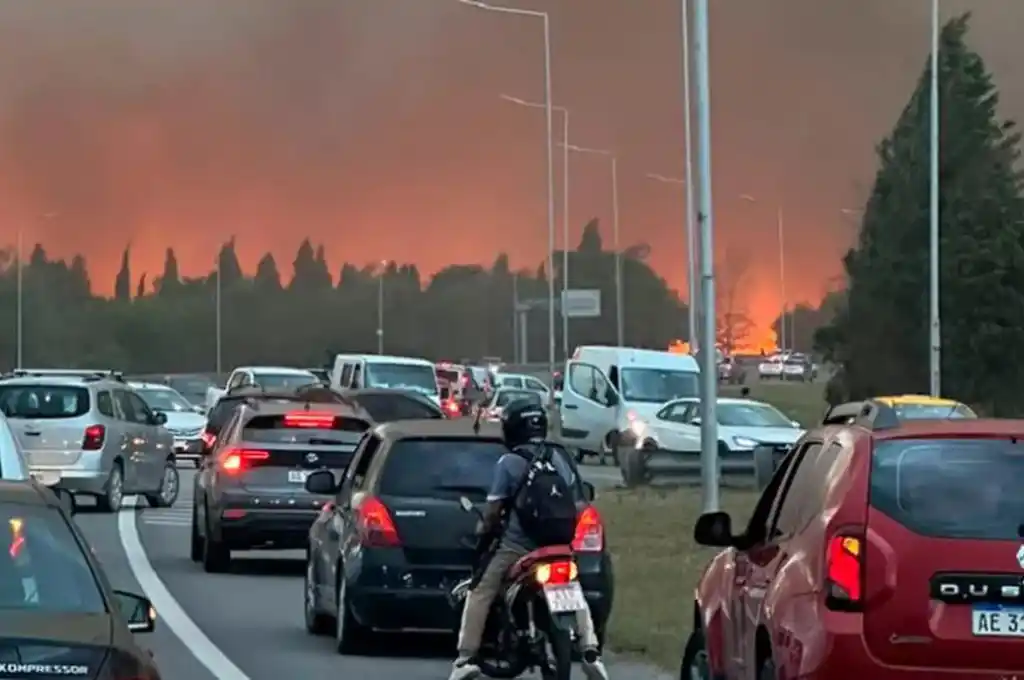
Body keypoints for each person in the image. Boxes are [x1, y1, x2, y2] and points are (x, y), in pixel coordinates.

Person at [449, 399, 609, 680]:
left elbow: (493, 511)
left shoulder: (508, 463)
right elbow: (578, 501)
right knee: (573, 589)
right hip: (559, 545)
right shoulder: (559, 458)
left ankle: (465, 658)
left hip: (517, 548)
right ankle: (590, 651)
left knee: (480, 589)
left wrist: (482, 533)